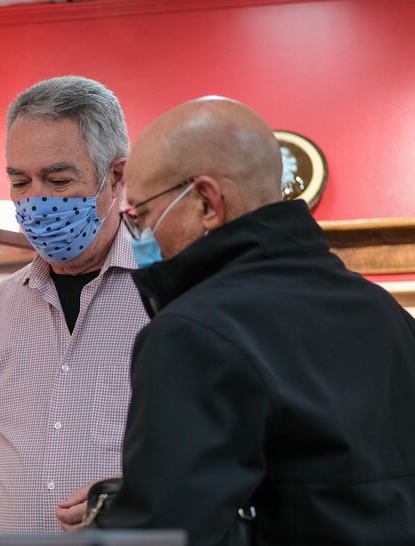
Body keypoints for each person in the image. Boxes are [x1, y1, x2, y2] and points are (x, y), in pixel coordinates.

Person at [83, 97, 415, 544]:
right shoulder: (386, 313)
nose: (140, 235)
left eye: (141, 215)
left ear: (206, 202)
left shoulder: (193, 335)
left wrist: (122, 513)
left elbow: (166, 533)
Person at [0, 76, 149, 534]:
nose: (36, 200)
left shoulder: (172, 299)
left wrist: (144, 496)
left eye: (57, 180)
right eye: (19, 181)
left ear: (115, 177)